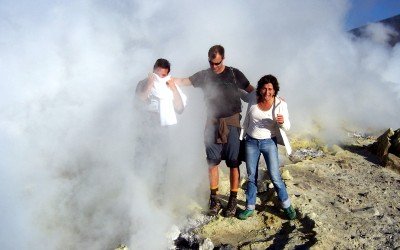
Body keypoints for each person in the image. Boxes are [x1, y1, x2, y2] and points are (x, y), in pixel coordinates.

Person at [174, 45, 254, 217]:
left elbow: (252, 91)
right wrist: (167, 80)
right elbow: (185, 81)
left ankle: (232, 200)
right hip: (211, 123)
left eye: (217, 63)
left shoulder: (234, 74)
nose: (214, 67)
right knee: (212, 162)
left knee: (234, 162)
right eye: (211, 63)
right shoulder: (204, 75)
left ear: (223, 59)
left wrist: (272, 99)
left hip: (232, 123)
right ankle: (214, 199)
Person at [238, 74, 296, 220]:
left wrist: (282, 122)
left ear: (275, 90)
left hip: (269, 142)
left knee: (275, 176)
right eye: (264, 88)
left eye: (270, 89)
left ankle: (287, 206)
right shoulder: (253, 97)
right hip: (251, 141)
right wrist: (227, 83)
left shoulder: (280, 104)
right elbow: (241, 93)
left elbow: (287, 126)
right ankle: (249, 207)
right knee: (252, 176)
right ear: (260, 89)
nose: (267, 92)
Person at [134, 58, 186, 202]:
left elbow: (180, 108)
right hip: (145, 127)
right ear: (153, 70)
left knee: (161, 163)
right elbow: (138, 102)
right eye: (157, 74)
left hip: (162, 129)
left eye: (163, 75)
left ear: (167, 74)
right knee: (140, 162)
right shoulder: (143, 83)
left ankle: (158, 196)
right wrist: (150, 83)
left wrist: (173, 88)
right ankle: (138, 195)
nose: (159, 78)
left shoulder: (170, 86)